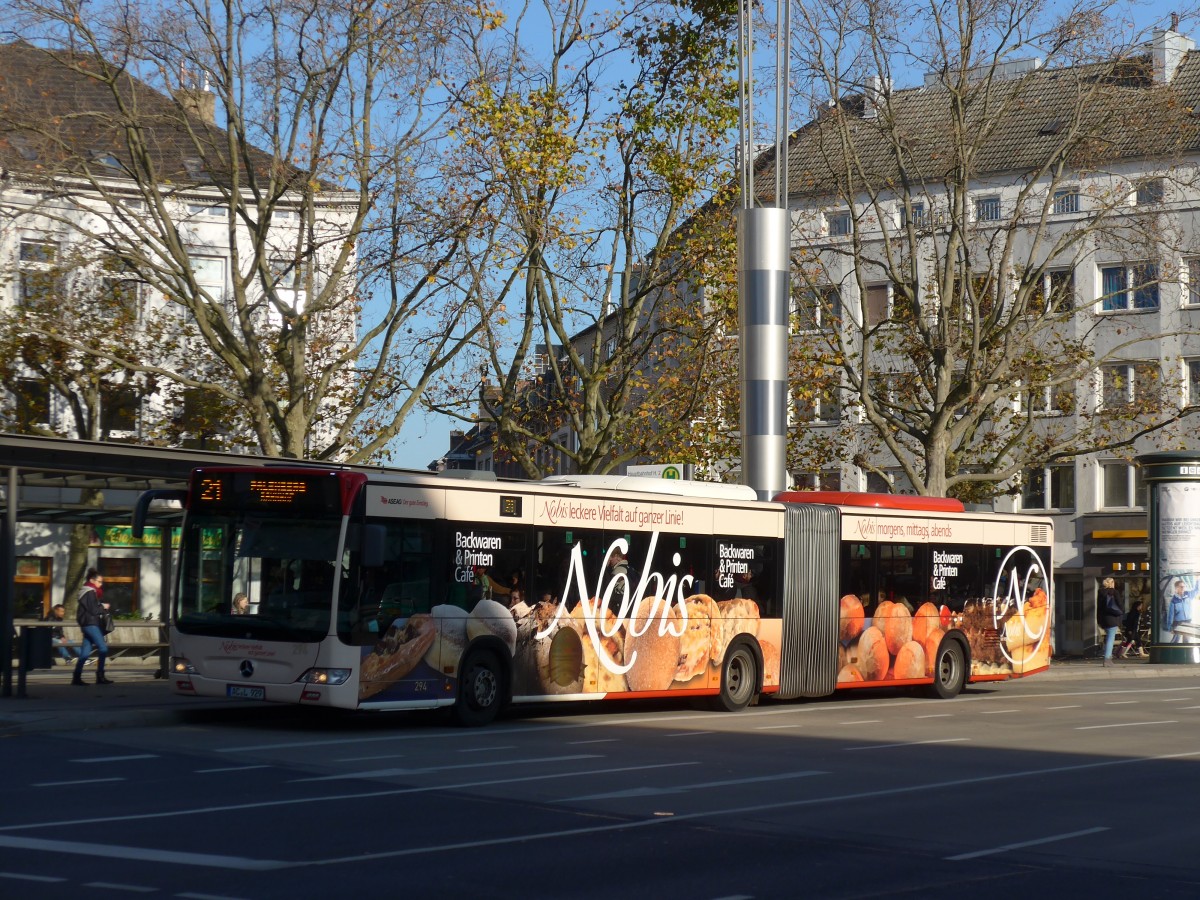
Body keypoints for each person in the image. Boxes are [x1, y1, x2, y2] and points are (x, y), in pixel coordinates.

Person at [73, 568, 114, 685]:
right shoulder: (90, 592)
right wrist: (103, 606)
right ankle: (100, 675)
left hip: (87, 623)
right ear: (92, 580)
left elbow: (90, 607)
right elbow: (93, 609)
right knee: (103, 648)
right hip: (90, 623)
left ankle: (76, 677)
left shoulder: (87, 591)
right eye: (99, 582)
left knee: (85, 652)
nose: (101, 584)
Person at [1097, 577, 1123, 667]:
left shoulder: (1100, 593)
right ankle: (1107, 659)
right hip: (1112, 618)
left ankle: (1107, 657)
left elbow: (1099, 608)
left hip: (1104, 619)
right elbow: (1120, 604)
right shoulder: (1114, 592)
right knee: (1110, 639)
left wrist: (1099, 619)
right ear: (1112, 583)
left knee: (1108, 638)